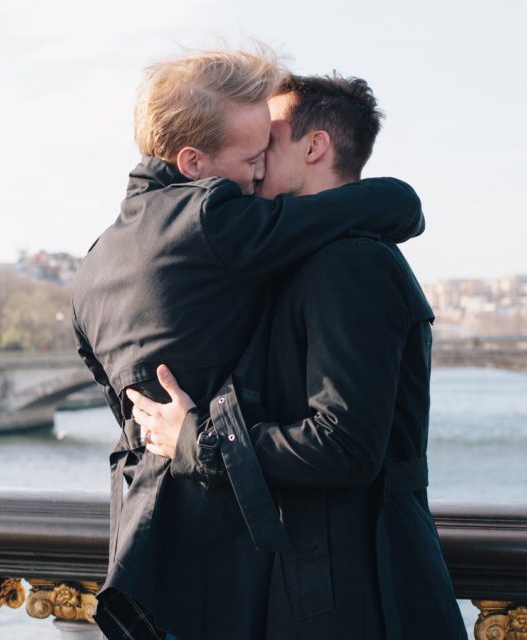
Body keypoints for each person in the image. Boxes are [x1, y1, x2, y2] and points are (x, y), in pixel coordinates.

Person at [70, 45, 427, 640]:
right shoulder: (228, 233)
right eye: (251, 152)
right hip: (302, 587)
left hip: (181, 567)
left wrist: (194, 441)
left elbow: (342, 444)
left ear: (314, 148)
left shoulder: (93, 268)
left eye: (269, 144)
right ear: (194, 163)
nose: (257, 168)